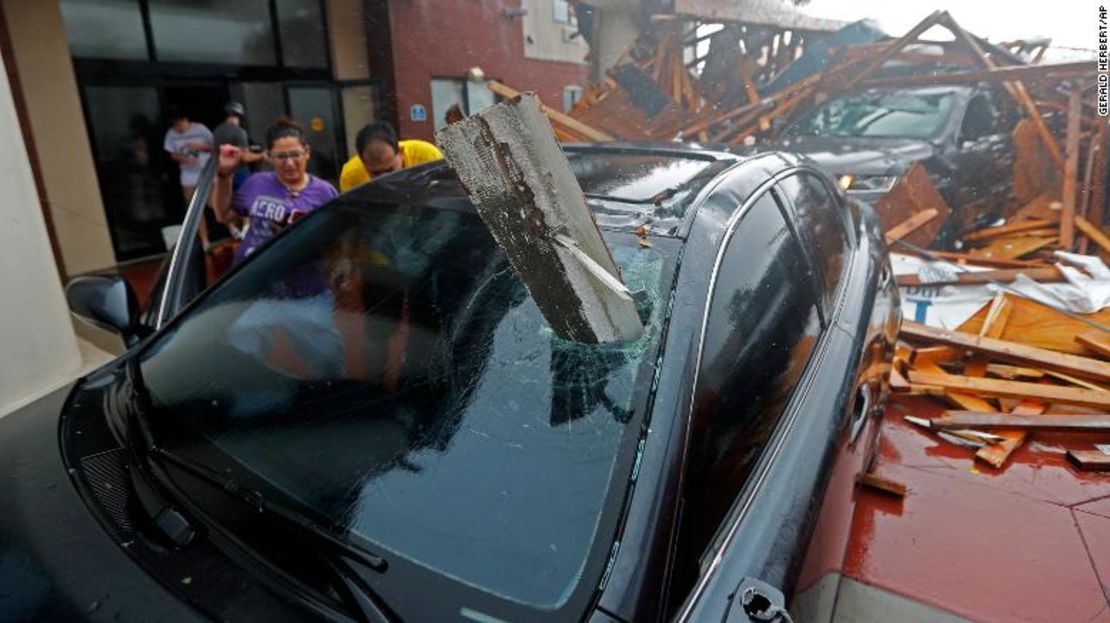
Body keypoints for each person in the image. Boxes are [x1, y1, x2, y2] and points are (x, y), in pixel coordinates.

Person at [211, 116, 338, 266]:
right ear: (269, 156)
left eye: (295, 154)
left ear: (307, 152)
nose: (289, 163)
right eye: (281, 156)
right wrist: (224, 176)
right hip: (253, 276)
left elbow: (336, 240)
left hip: (304, 279)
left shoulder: (325, 192)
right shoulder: (256, 183)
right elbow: (223, 216)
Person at [338, 121, 443, 192]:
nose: (385, 179)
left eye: (390, 170)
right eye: (376, 173)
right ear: (362, 162)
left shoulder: (428, 157)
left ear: (401, 152)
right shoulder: (351, 175)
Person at [164, 109, 214, 244]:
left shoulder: (200, 129)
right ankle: (204, 240)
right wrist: (183, 159)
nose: (178, 129)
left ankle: (234, 227)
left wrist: (199, 147)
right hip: (188, 175)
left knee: (212, 203)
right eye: (174, 126)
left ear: (185, 120)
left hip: (205, 171)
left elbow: (215, 147)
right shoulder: (171, 134)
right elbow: (172, 154)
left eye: (179, 125)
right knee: (194, 208)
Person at [212, 101, 263, 190]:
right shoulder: (239, 132)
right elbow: (245, 157)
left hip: (223, 171)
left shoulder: (217, 131)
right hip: (239, 171)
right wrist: (262, 155)